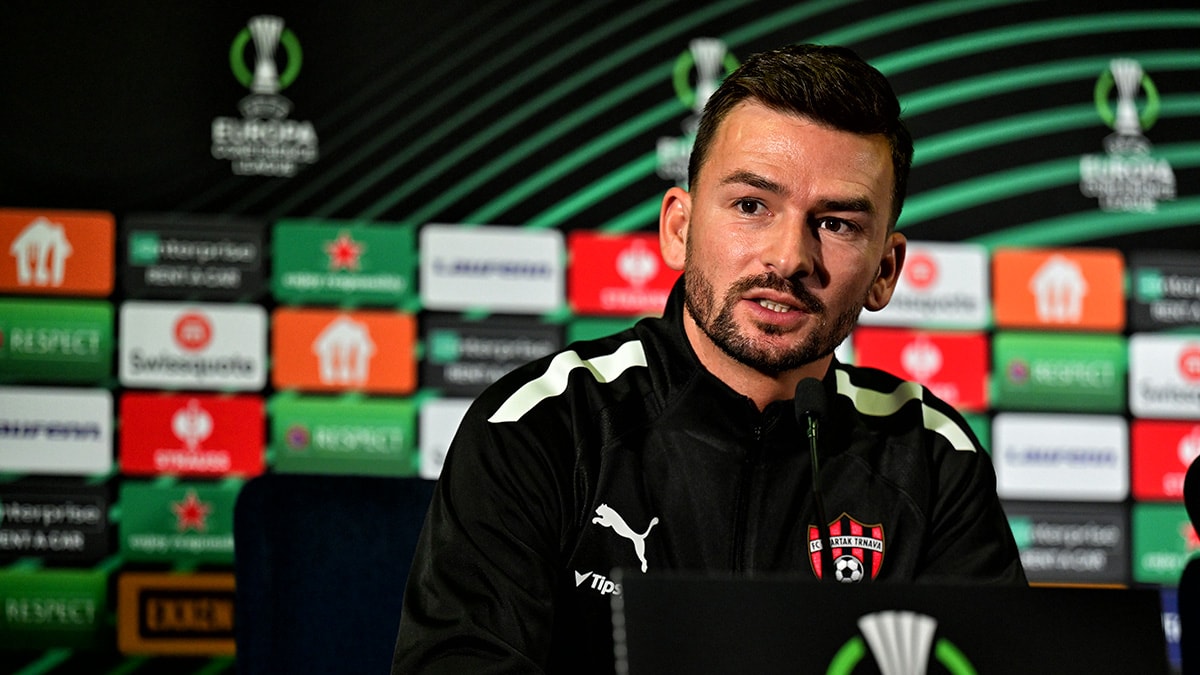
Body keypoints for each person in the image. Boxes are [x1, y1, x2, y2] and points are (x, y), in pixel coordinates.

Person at [393, 43, 1025, 674]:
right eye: (752, 206)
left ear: (884, 271)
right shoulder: (542, 427)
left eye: (836, 224)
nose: (789, 258)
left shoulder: (933, 458)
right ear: (679, 228)